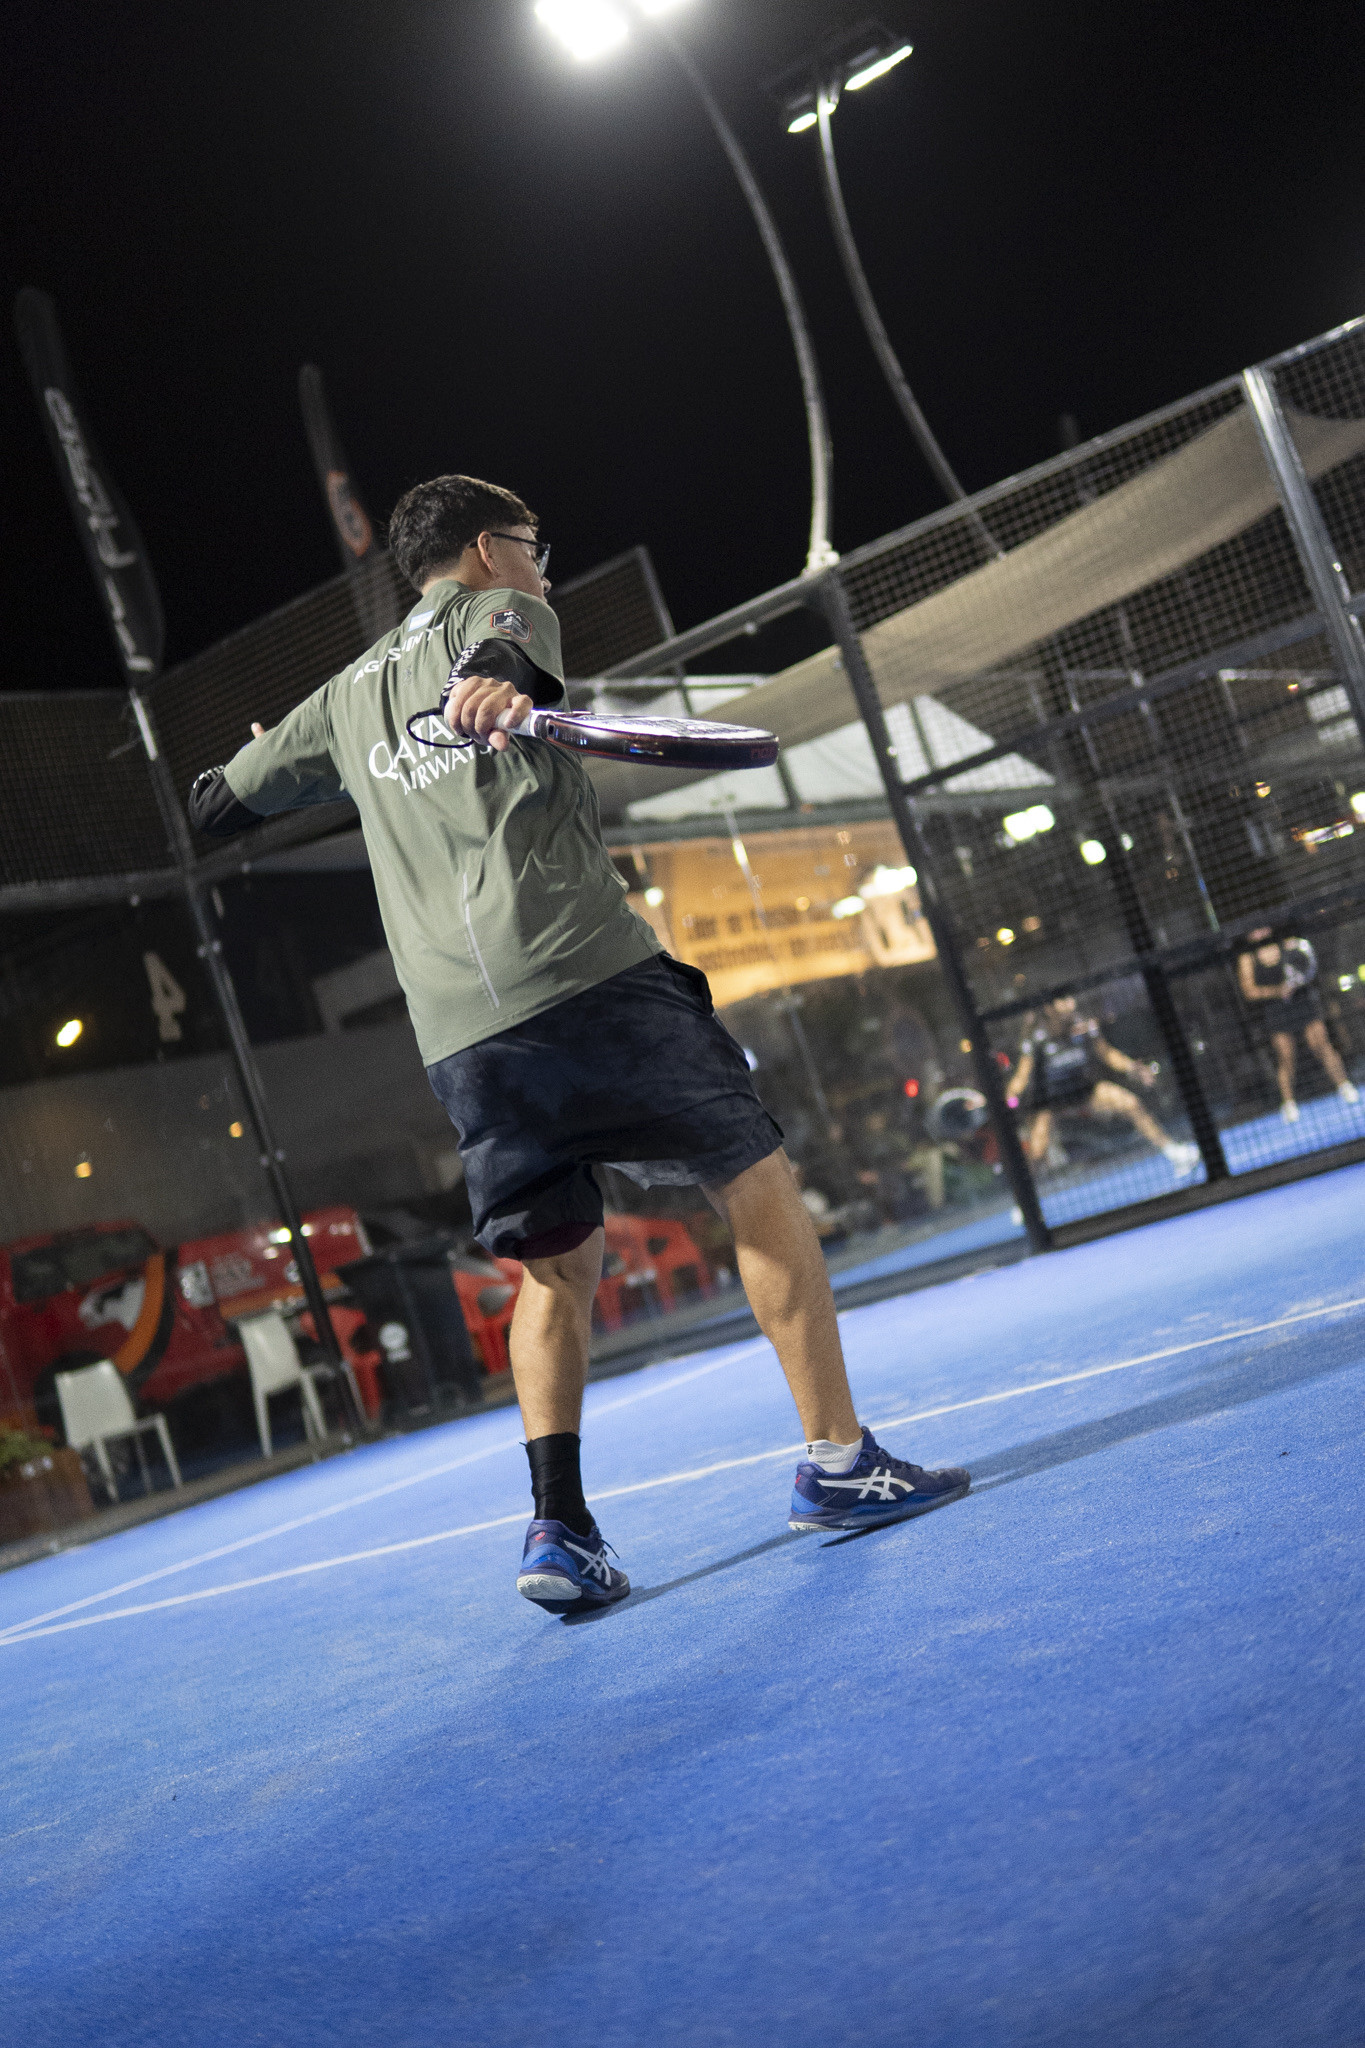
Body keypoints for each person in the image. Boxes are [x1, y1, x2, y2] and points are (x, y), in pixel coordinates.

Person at [189, 475, 969, 1611]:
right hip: (586, 974)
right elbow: (506, 646)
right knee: (753, 1179)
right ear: (484, 548)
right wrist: (492, 676)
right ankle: (840, 1460)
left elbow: (214, 803)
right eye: (532, 545)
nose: (542, 568)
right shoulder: (500, 608)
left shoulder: (343, 699)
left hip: (462, 1035)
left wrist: (280, 752)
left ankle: (558, 1528)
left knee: (555, 1270)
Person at [1010, 995, 1200, 1176]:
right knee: (1037, 1151)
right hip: (1051, 1103)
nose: (1071, 1004)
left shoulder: (1083, 1025)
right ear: (1049, 1009)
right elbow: (1022, 1075)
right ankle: (1023, 1194)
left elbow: (1107, 1053)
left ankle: (1174, 1153)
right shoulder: (1035, 1038)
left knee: (1130, 1103)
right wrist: (1010, 1096)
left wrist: (1131, 1067)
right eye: (1064, 1000)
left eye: (1070, 998)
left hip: (1086, 1092)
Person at [1236, 927, 1359, 1123]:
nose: (1259, 933)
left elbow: (1305, 965)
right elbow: (1249, 991)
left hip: (1302, 1001)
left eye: (1262, 929)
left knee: (1322, 1046)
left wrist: (1294, 984)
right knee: (1286, 1058)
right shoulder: (1247, 958)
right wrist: (1278, 991)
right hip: (1275, 1010)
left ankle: (1344, 1086)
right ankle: (1288, 1104)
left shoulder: (1288, 944)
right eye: (1254, 931)